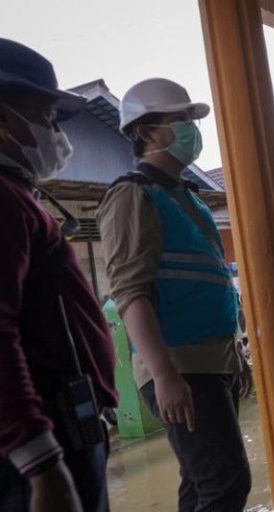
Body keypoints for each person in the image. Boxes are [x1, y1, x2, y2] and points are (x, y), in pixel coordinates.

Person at [97, 78, 251, 511]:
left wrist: (234, 354)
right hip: (179, 364)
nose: (190, 128)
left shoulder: (187, 197)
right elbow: (130, 291)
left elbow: (212, 280)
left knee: (201, 482)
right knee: (226, 482)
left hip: (211, 361)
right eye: (180, 119)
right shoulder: (132, 194)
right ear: (147, 132)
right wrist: (164, 374)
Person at [0, 39, 117, 512]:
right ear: (4, 119)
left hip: (66, 423)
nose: (56, 132)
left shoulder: (19, 195)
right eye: (45, 116)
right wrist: (42, 464)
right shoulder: (4, 201)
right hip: (44, 441)